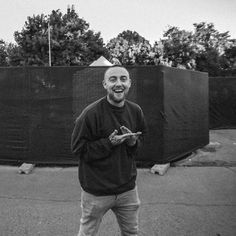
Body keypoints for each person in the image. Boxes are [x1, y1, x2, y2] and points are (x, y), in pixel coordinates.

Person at [71, 65, 147, 236]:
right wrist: (109, 143)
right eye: (112, 79)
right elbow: (78, 149)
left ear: (129, 83)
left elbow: (139, 147)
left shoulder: (136, 111)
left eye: (123, 78)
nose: (118, 83)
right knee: (87, 233)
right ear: (104, 84)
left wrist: (133, 143)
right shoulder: (89, 114)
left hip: (127, 190)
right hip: (96, 192)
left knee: (131, 232)